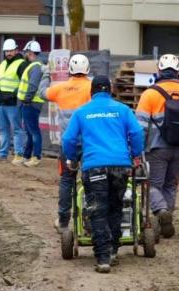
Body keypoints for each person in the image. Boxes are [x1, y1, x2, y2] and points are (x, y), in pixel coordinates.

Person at [61, 76, 144, 273]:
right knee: (116, 208)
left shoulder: (82, 112)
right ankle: (113, 250)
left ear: (92, 91)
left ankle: (103, 258)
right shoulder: (122, 110)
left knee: (97, 210)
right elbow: (137, 133)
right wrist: (135, 155)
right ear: (110, 90)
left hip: (94, 166)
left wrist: (72, 159)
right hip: (120, 166)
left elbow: (68, 139)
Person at [135, 54, 179, 239]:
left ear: (159, 70)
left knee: (152, 185)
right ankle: (165, 221)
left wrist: (136, 149)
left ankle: (161, 212)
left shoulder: (150, 94)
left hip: (157, 149)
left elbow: (140, 126)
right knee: (170, 186)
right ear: (177, 72)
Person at [40, 53, 92, 231]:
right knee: (90, 181)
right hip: (89, 145)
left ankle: (63, 221)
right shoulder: (92, 88)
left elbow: (42, 93)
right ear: (87, 69)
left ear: (70, 69)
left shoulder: (60, 89)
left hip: (67, 145)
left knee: (66, 180)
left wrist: (47, 73)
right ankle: (89, 220)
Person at [0, 39, 28, 164]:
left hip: (13, 103)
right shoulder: (2, 64)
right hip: (0, 102)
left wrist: (14, 95)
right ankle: (2, 154)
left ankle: (19, 154)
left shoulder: (21, 64)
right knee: (3, 129)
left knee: (16, 129)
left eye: (11, 50)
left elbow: (24, 82)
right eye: (7, 51)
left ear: (16, 50)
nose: (9, 53)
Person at [17, 40, 46, 167]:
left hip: (31, 103)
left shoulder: (35, 66)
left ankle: (37, 157)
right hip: (30, 102)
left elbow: (33, 85)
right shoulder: (35, 65)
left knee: (34, 131)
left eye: (26, 52)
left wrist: (27, 99)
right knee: (29, 131)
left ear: (29, 52)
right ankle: (27, 156)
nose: (24, 54)